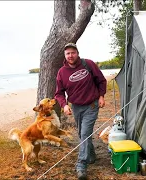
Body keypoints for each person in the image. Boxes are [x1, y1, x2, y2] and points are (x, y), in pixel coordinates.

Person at [54, 43, 107, 180]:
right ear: (65, 56)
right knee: (83, 134)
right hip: (76, 107)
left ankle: (81, 165)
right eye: (68, 53)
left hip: (91, 105)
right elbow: (59, 93)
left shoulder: (88, 64)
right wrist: (64, 105)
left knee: (84, 133)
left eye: (73, 52)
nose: (70, 55)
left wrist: (101, 96)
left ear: (77, 53)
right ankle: (91, 156)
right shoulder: (62, 72)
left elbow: (101, 80)